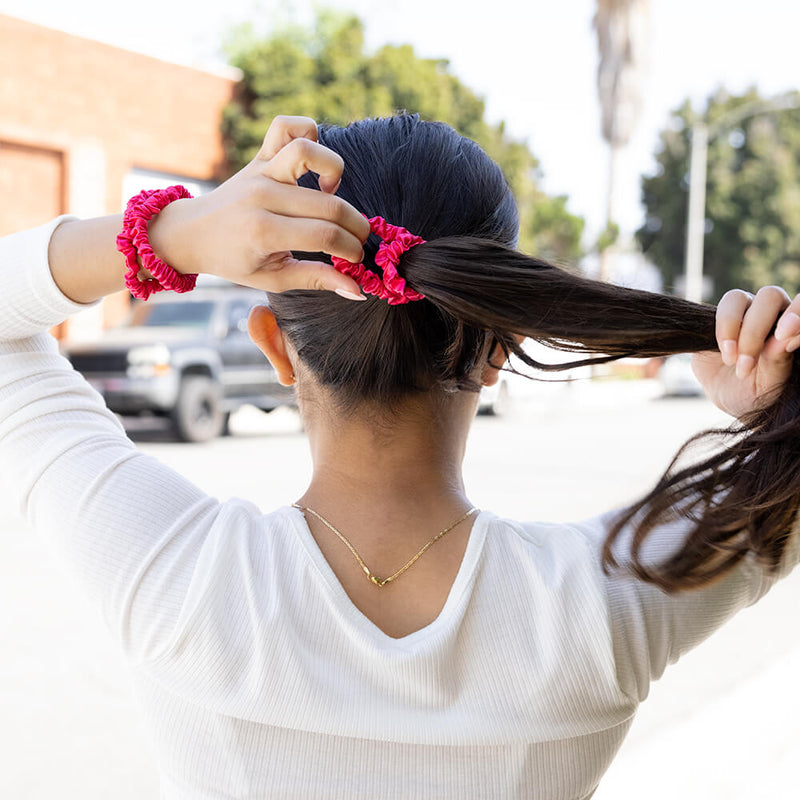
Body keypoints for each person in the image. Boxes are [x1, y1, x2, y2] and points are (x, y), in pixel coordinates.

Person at [1, 113, 799, 799]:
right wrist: (769, 408)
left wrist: (174, 232)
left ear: (273, 347)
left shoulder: (177, 578)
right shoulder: (605, 608)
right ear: (501, 349)